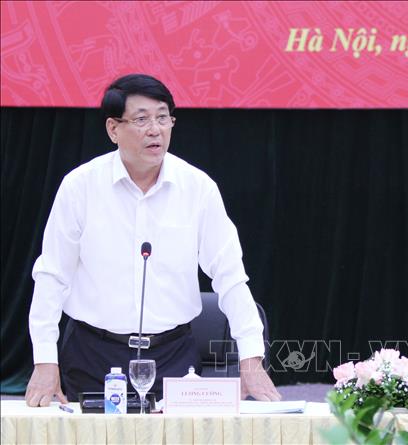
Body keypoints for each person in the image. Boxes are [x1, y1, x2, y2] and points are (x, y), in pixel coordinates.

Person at [25, 74, 280, 406]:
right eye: (142, 119)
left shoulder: (197, 188)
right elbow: (52, 275)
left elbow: (230, 277)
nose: (155, 129)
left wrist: (251, 358)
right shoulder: (80, 187)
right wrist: (45, 360)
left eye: (163, 118)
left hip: (172, 356)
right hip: (93, 355)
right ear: (113, 129)